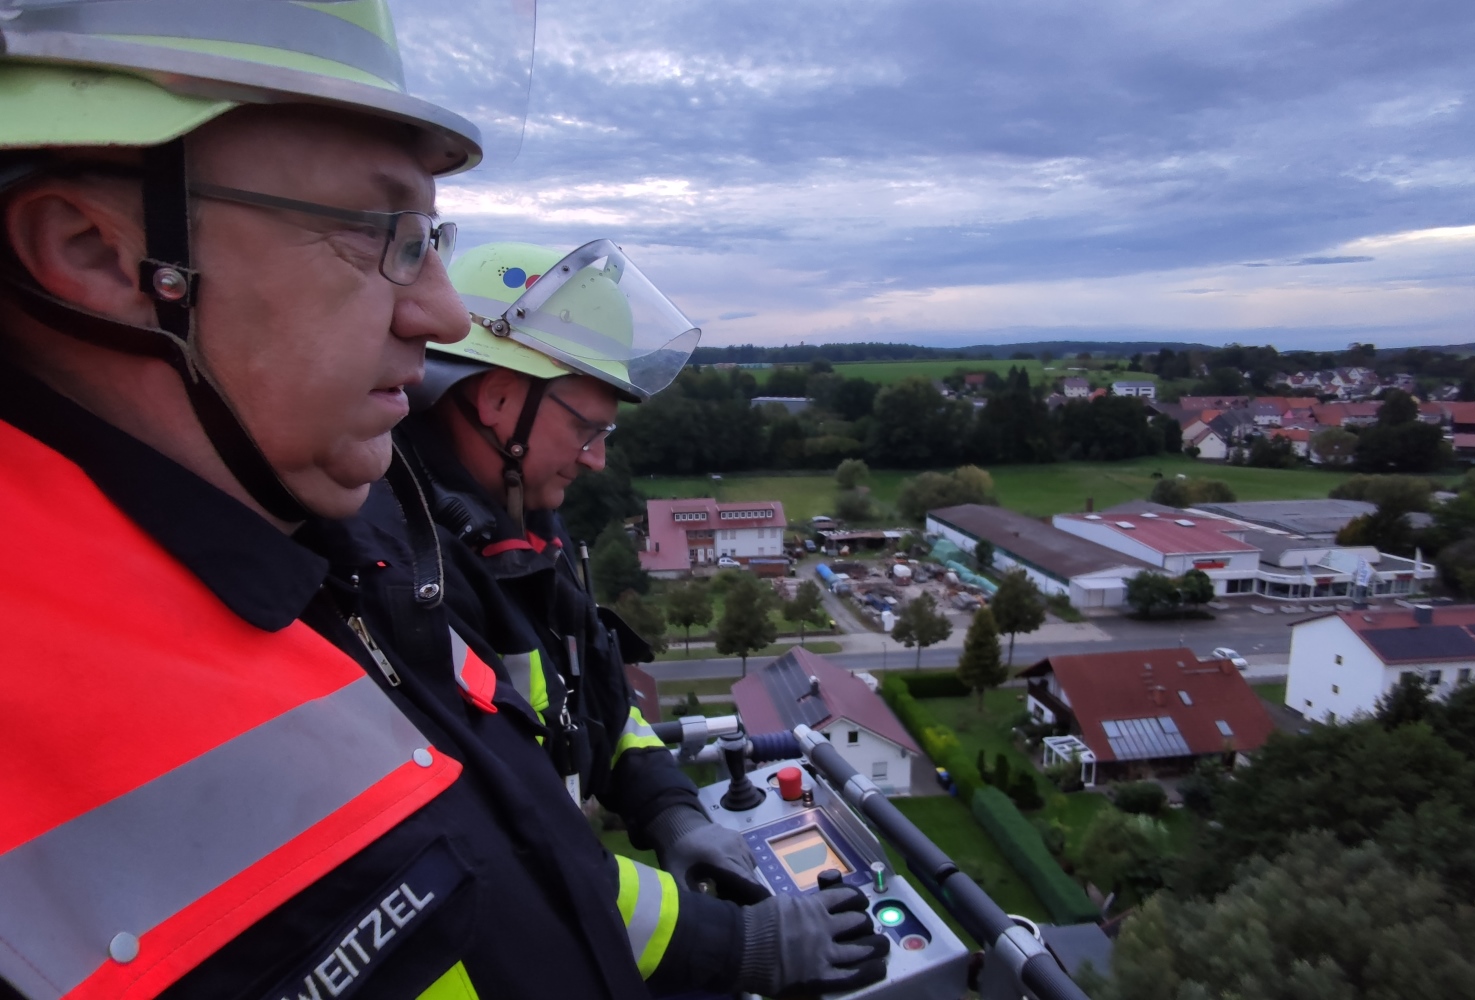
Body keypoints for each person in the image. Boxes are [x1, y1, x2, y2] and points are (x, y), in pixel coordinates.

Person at [0, 3, 664, 998]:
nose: (441, 313)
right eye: (381, 233)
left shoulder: (346, 538)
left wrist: (669, 805)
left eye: (433, 236)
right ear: (98, 250)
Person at [388, 240, 892, 997]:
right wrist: (737, 945)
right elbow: (511, 852)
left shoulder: (515, 531)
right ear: (496, 399)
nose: (595, 460)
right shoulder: (407, 573)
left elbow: (595, 700)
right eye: (586, 429)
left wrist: (669, 809)